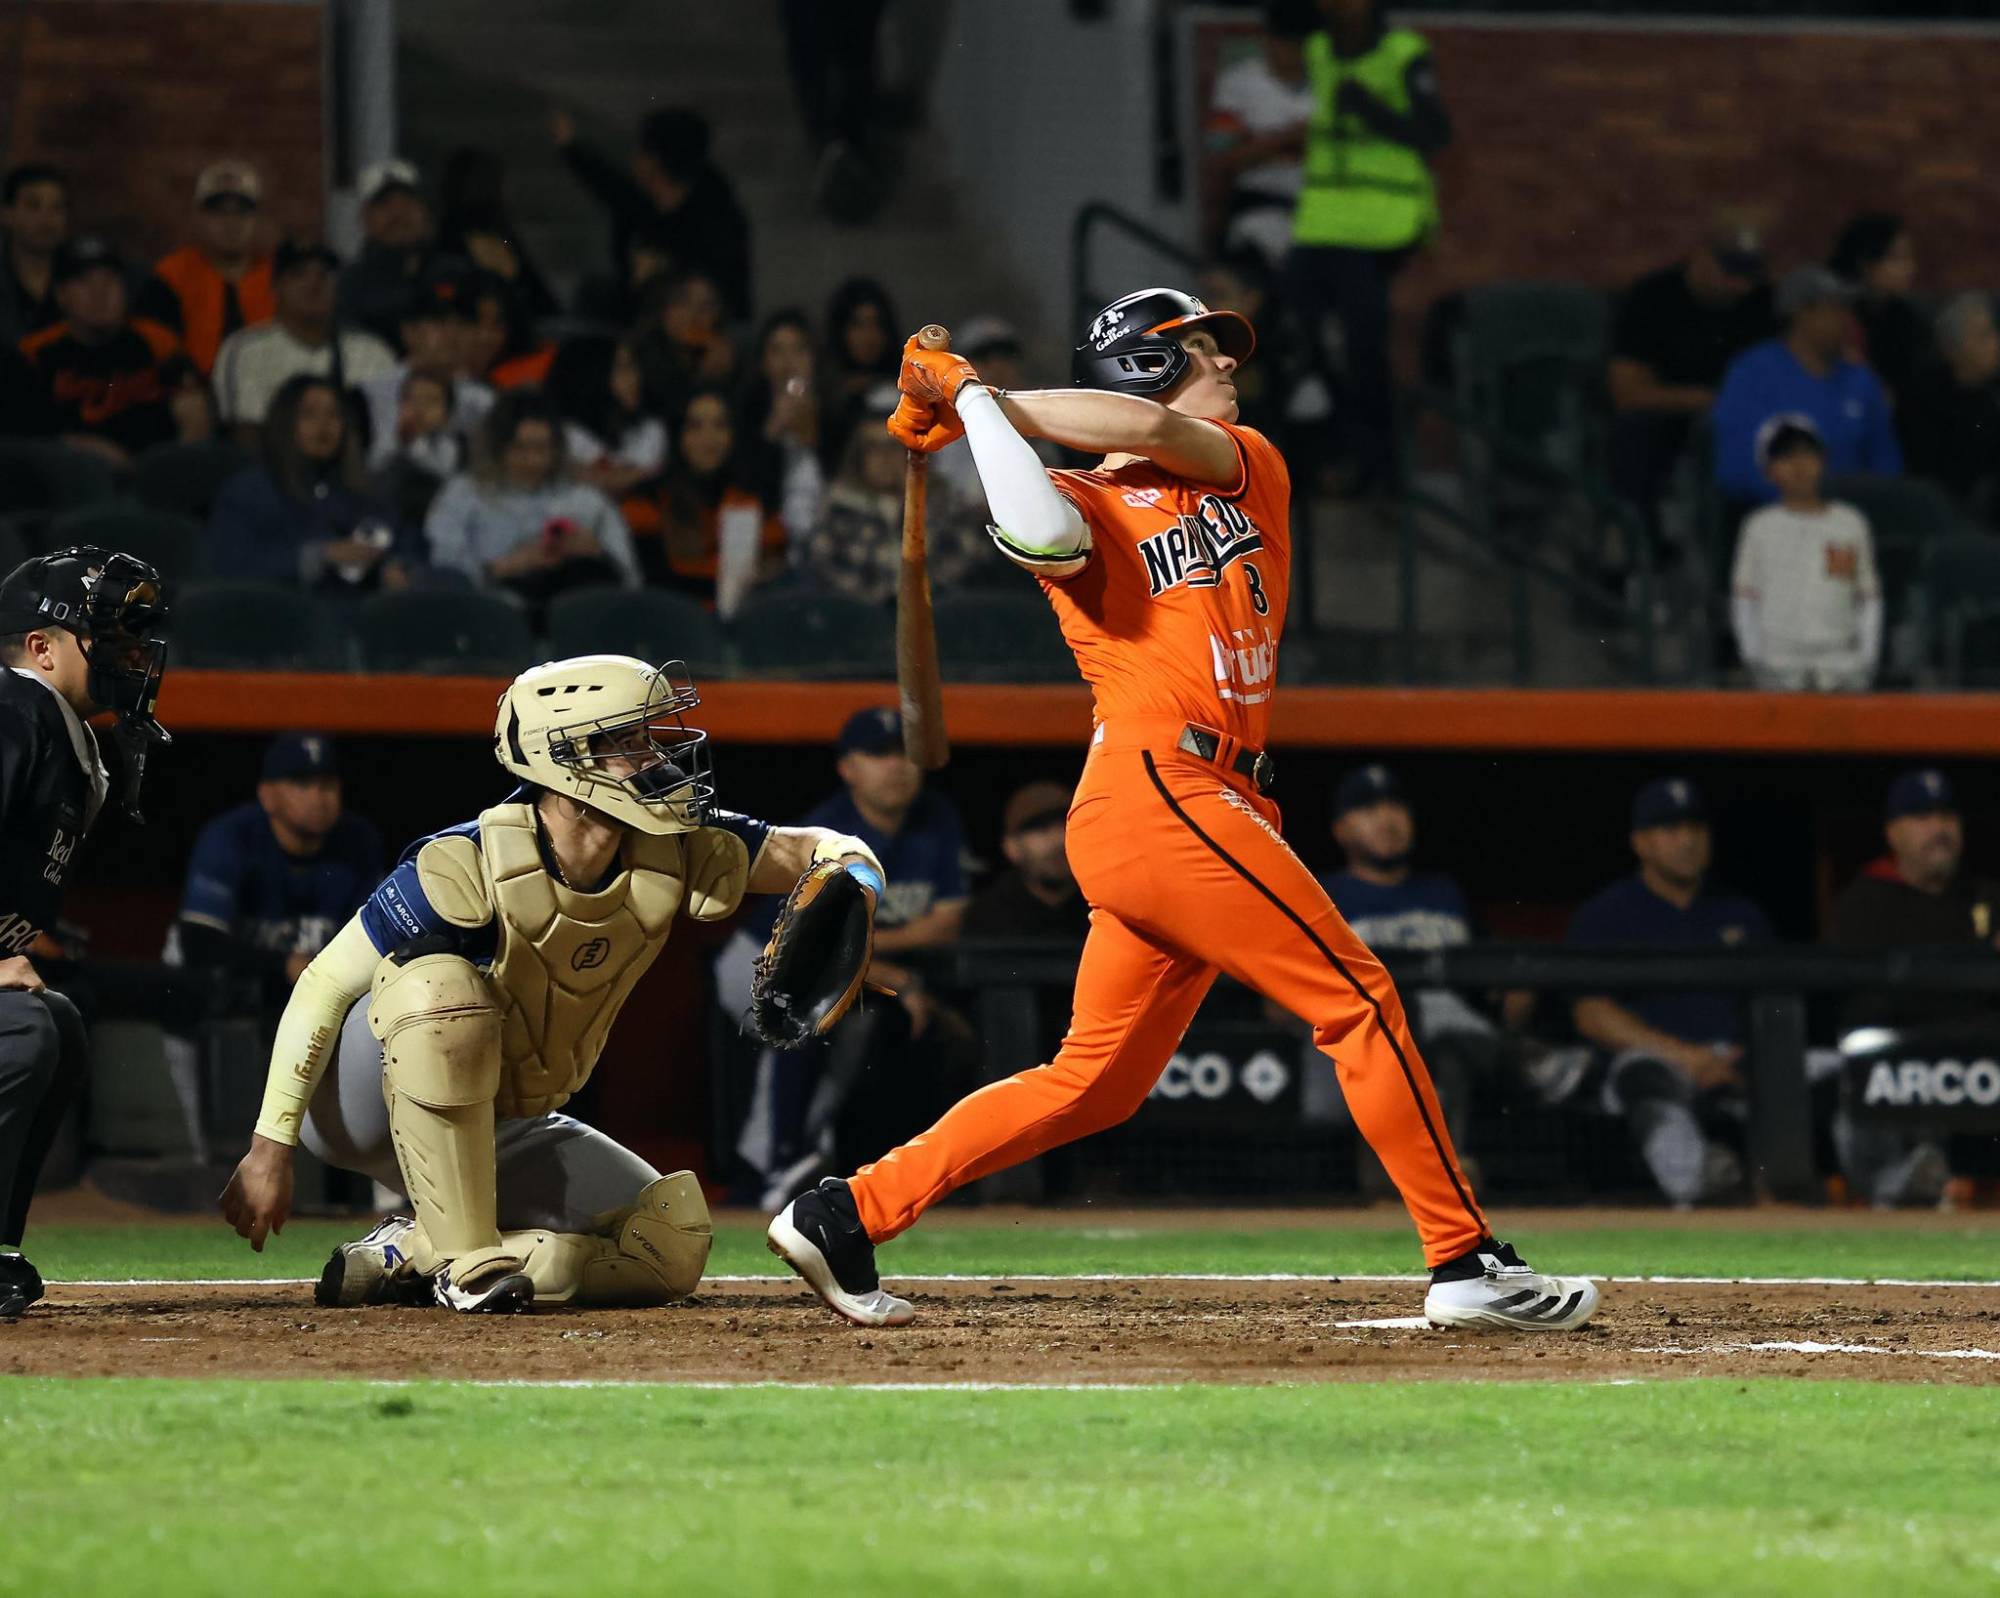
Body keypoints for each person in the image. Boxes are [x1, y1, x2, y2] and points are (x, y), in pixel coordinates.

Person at [765, 286, 1598, 1333]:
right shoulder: (1069, 493)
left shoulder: (1242, 461)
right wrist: (973, 405)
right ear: (1139, 362)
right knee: (1357, 995)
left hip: (1195, 797)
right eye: (1196, 349)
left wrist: (977, 391)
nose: (1224, 366)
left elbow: (1156, 430)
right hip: (1162, 785)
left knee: (1092, 1083)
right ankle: (1463, 1257)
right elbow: (1031, 520)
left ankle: (847, 1208)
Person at [218, 654, 889, 1312]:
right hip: (362, 1102)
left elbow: (809, 850)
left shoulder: (671, 845)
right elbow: (322, 988)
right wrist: (269, 1149)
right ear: (563, 759)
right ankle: (462, 1261)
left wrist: (856, 870)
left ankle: (416, 1252)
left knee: (671, 1241)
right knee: (444, 990)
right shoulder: (466, 861)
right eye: (628, 742)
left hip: (501, 1112)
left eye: (648, 738)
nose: (655, 757)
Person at [0, 546, 170, 1318]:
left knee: (55, 1025)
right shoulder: (13, 710)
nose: (129, 657)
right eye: (106, 637)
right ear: (42, 647)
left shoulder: (51, 728)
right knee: (26, 1032)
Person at [721, 706, 973, 1205]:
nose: (897, 765)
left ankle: (800, 1156)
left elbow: (946, 924)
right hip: (764, 961)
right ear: (848, 768)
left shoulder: (936, 819)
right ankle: (774, 1164)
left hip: (851, 969)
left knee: (848, 1043)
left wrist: (873, 955)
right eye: (879, 754)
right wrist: (894, 972)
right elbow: (806, 950)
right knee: (793, 1019)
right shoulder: (829, 832)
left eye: (905, 753)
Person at [1566, 779, 1772, 1209]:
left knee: (1833, 1068)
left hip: (1737, 1061)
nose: (1687, 840)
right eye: (1670, 829)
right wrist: (1688, 1057)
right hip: (1657, 1064)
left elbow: (1772, 1003)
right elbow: (1592, 1013)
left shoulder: (1741, 913)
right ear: (1640, 843)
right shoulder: (1608, 914)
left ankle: (1819, 1195)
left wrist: (1747, 1053)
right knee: (1642, 1073)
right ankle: (1698, 1180)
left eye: (1696, 828)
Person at [1283, 0, 1450, 493]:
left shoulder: (1403, 52)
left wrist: (1372, 109)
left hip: (1384, 222)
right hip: (1322, 219)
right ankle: (1325, 450)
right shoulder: (1316, 49)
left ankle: (1378, 463)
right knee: (1294, 331)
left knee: (1362, 346)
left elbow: (1435, 133)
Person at [1822, 768, 1994, 1208]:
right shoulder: (1865, 901)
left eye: (1947, 817)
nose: (1939, 829)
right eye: (1922, 817)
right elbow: (1856, 1006)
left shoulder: (1983, 897)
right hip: (1894, 1064)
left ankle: (1920, 1180)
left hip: (1978, 1060)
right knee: (1857, 1075)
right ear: (1893, 832)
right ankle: (1898, 1184)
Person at [1320, 763, 1505, 1165]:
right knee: (1411, 1008)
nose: (1387, 820)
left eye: (1395, 807)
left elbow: (1501, 973)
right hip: (1367, 1041)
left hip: (1456, 1049)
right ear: (1341, 830)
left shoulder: (1445, 892)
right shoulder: (1321, 896)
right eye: (1368, 810)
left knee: (1448, 1045)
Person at [173, 733, 384, 1020]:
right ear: (267, 795)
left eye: (328, 785)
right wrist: (283, 965)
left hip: (316, 999)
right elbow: (200, 943)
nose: (318, 797)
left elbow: (376, 938)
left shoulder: (359, 842)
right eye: (302, 784)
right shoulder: (232, 837)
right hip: (213, 1000)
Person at [1608, 213, 1777, 518]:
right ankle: (1633, 532)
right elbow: (1629, 394)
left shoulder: (1762, 301)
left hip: (1743, 422)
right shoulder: (1652, 297)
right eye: (1731, 271)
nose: (1740, 286)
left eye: (1749, 274)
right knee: (1635, 431)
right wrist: (1708, 401)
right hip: (1670, 419)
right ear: (1701, 256)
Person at [423, 390, 639, 603]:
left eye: (542, 449)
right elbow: (443, 572)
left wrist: (597, 553)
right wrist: (507, 565)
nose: (533, 460)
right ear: (498, 447)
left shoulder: (588, 502)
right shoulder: (462, 494)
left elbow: (631, 581)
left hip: (570, 614)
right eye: (520, 449)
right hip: (489, 613)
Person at [1711, 266, 1902, 507]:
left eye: (1848, 310)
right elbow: (1735, 471)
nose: (1846, 320)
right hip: (1774, 517)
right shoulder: (1751, 374)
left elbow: (1887, 466)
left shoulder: (1861, 379)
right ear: (1800, 314)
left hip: (1853, 517)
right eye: (1834, 309)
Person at [205, 374, 408, 591]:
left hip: (355, 613)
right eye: (309, 414)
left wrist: (393, 567)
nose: (324, 424)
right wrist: (320, 556)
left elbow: (403, 543)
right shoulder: (249, 491)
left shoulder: (364, 492)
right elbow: (228, 566)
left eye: (334, 415)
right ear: (285, 423)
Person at [550, 107, 752, 321]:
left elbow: (723, 294)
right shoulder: (644, 203)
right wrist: (570, 146)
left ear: (654, 163)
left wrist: (662, 272)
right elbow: (609, 184)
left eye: (640, 151)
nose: (633, 158)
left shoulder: (718, 223)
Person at [800, 384, 989, 607]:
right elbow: (834, 585)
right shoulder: (837, 514)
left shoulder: (945, 505)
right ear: (859, 456)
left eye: (893, 446)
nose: (884, 457)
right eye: (873, 447)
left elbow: (962, 570)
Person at [1729, 416, 1881, 691]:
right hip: (1778, 663)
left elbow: (1868, 599)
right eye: (1786, 458)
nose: (1799, 466)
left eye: (1807, 455)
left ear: (1822, 461)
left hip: (1840, 663)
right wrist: (1753, 658)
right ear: (1769, 471)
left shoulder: (1850, 522)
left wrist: (1867, 659)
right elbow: (1745, 601)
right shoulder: (1759, 526)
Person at [1, 236, 181, 467]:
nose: (100, 293)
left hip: (155, 480)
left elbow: (193, 412)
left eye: (109, 280)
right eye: (84, 282)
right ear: (61, 294)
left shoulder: (159, 342)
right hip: (69, 484)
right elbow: (25, 440)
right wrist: (85, 450)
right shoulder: (33, 354)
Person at [211, 237, 396, 440]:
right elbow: (246, 435)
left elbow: (388, 432)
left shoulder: (372, 351)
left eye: (325, 274)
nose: (314, 283)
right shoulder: (245, 349)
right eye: (298, 274)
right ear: (275, 288)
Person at [1205, 0, 1317, 271]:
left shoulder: (1331, 81)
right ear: (1268, 39)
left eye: (1300, 42)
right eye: (1286, 41)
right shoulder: (1239, 84)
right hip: (1260, 203)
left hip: (1322, 209)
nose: (1294, 51)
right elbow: (1221, 156)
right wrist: (1288, 137)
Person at [649, 386, 783, 610]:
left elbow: (777, 562)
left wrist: (766, 572)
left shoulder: (750, 497)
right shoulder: (649, 499)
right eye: (696, 426)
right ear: (679, 436)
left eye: (720, 425)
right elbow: (655, 584)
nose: (709, 438)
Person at [136, 160, 275, 376]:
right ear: (199, 218)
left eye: (241, 212)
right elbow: (156, 350)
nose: (231, 222)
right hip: (193, 392)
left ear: (256, 219)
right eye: (219, 212)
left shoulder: (278, 278)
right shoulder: (172, 275)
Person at [354, 279, 495, 470]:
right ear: (409, 332)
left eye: (462, 323)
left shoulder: (483, 401)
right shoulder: (369, 394)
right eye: (440, 322)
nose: (453, 333)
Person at [1899, 292, 2000, 523]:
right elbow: (1931, 473)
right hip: (1946, 511)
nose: (1996, 344)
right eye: (1984, 336)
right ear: (1953, 347)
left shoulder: (1993, 389)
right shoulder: (1923, 396)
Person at [435, 146, 558, 326]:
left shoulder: (503, 235)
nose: (508, 191)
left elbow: (538, 293)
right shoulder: (454, 241)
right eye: (501, 183)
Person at [736, 308, 827, 546]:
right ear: (763, 362)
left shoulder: (834, 413)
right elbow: (746, 490)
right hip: (768, 543)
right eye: (777, 351)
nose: (789, 362)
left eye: (799, 350)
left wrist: (814, 435)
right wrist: (772, 432)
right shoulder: (747, 416)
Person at [545, 334, 667, 502]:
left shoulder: (650, 429)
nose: (635, 378)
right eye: (623, 369)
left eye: (633, 367)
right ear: (591, 375)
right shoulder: (558, 431)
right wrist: (639, 474)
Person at [961, 779, 1088, 942]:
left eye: (1066, 826)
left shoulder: (1106, 907)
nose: (1058, 840)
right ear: (1011, 847)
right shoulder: (988, 915)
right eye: (1041, 829)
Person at [336, 159, 444, 347]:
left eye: (408, 202)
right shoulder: (349, 285)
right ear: (365, 217)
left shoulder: (453, 272)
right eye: (384, 204)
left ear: (424, 210)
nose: (399, 213)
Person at [1829, 213, 1926, 403]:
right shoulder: (1836, 312)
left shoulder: (1906, 318)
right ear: (1866, 264)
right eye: (1897, 258)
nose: (1910, 268)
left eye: (1909, 258)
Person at [632, 268, 737, 422]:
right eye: (683, 302)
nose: (694, 315)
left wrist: (721, 377)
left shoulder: (724, 358)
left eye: (706, 306)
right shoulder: (638, 359)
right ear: (663, 309)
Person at [820, 276, 901, 468]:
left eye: (876, 324)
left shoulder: (906, 384)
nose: (868, 336)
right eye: (858, 325)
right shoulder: (824, 391)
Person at [0, 163, 69, 350]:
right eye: (33, 206)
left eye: (56, 208)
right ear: (7, 214)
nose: (46, 219)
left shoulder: (80, 277)